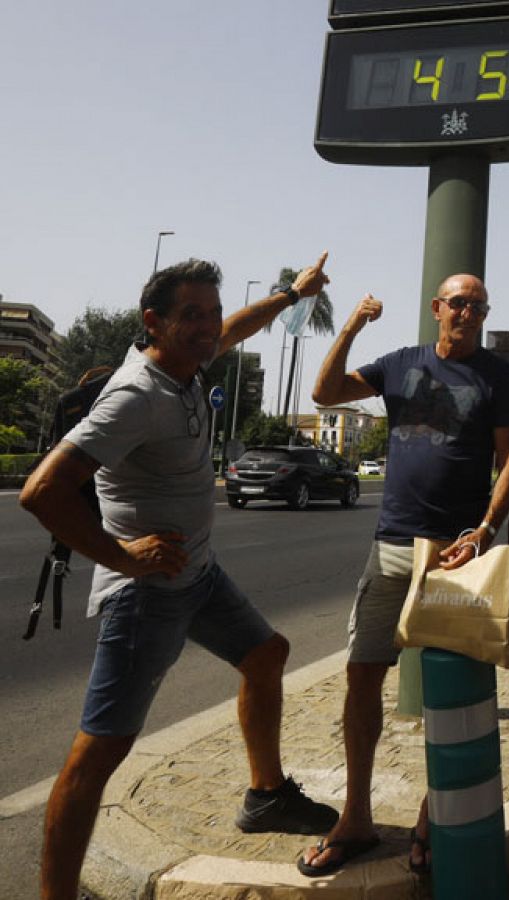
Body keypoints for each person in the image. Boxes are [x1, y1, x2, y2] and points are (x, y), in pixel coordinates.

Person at [20, 255, 341, 900]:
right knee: (97, 755)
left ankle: (265, 795)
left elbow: (238, 329)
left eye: (211, 314)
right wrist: (122, 558)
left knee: (266, 654)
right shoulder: (137, 396)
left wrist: (290, 295)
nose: (207, 328)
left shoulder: (185, 364)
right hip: (147, 598)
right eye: (190, 316)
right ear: (154, 323)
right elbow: (41, 491)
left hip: (198, 577)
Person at [297, 274, 509, 876]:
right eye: (458, 303)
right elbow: (323, 394)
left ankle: (436, 812)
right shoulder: (400, 363)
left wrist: (485, 530)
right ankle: (356, 817)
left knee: (458, 688)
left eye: (478, 304)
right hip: (393, 545)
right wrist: (350, 326)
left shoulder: (496, 376)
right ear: (437, 309)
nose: (468, 312)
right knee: (362, 675)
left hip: (457, 554)